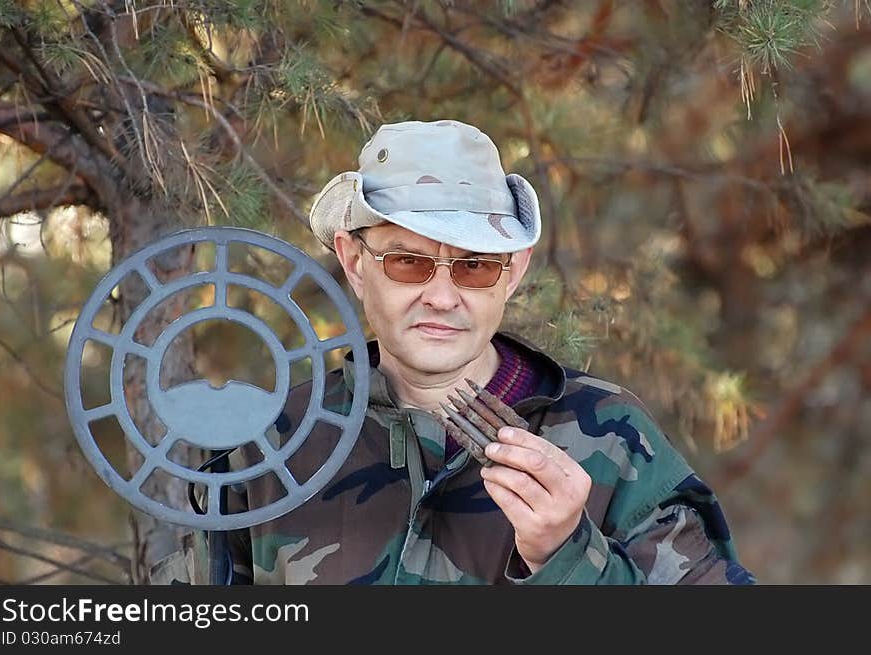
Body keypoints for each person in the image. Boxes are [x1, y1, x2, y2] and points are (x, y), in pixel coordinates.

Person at [152, 119, 755, 585]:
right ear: (356, 263)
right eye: (408, 261)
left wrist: (566, 555)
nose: (441, 296)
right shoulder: (274, 445)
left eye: (473, 266)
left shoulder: (614, 439)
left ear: (512, 272)